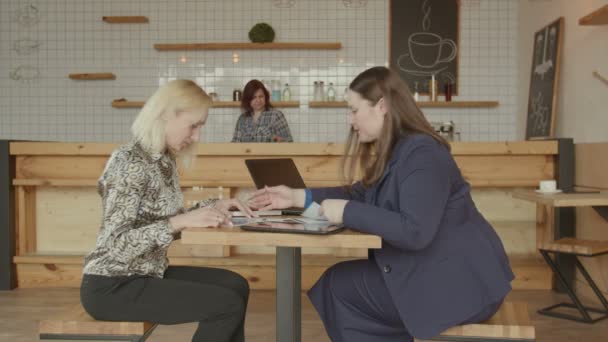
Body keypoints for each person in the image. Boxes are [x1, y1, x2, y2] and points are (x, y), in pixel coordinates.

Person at [249, 67, 514, 342]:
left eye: (353, 110)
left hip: (459, 285)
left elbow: (414, 231)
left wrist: (345, 212)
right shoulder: (402, 150)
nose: (350, 120)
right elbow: (361, 194)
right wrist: (296, 197)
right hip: (441, 272)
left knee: (336, 288)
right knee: (335, 285)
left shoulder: (422, 155)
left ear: (382, 106)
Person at [80, 80, 255, 342]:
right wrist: (181, 221)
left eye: (200, 127)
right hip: (113, 285)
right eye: (193, 126)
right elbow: (117, 244)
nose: (196, 136)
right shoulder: (129, 161)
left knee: (235, 285)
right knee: (225, 305)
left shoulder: (162, 160)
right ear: (165, 114)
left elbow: (163, 219)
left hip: (147, 272)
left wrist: (213, 207)